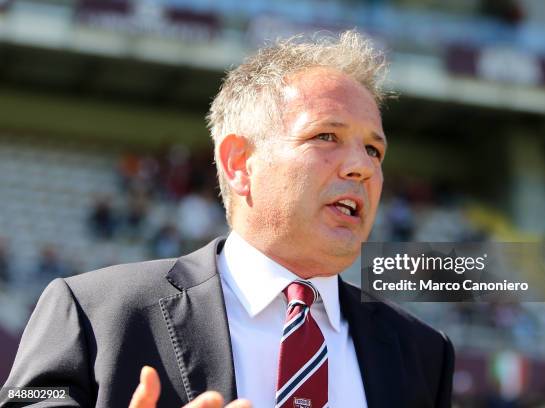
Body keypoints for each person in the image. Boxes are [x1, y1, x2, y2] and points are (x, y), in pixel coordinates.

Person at [1, 31, 454, 408]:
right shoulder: (92, 312)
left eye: (374, 149)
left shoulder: (422, 354)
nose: (362, 167)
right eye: (326, 136)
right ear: (239, 162)